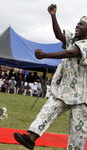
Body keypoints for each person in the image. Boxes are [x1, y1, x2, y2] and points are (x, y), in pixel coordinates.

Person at [14, 4, 87, 150]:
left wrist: (46, 55)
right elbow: (59, 35)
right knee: (48, 111)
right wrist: (53, 16)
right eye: (77, 23)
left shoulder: (85, 44)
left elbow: (70, 53)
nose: (77, 26)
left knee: (77, 132)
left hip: (82, 96)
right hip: (64, 90)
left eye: (81, 24)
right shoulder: (72, 40)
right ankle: (31, 138)